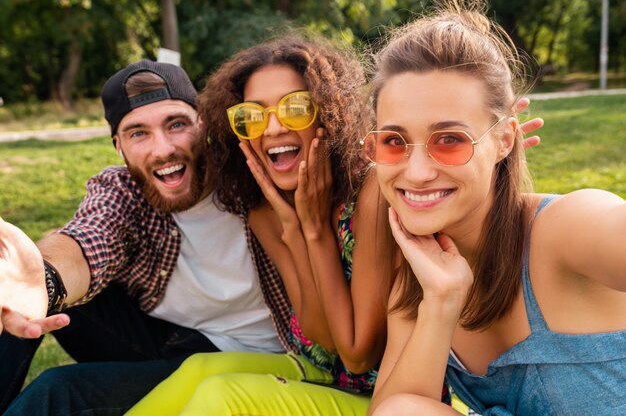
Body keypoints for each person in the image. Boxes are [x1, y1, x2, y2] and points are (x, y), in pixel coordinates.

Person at [128, 34, 542, 416]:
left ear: (328, 112)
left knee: (220, 397)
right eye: (251, 116)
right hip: (318, 371)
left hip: (382, 397)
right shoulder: (266, 209)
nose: (272, 128)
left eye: (293, 108)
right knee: (198, 368)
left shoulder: (374, 192)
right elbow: (318, 336)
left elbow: (358, 353)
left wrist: (316, 234)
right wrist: (295, 228)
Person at [363, 1, 626, 416]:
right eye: (394, 141)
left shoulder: (566, 228)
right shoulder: (419, 282)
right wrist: (442, 299)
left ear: (505, 140)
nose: (415, 173)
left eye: (449, 139)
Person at [0, 59, 293, 415]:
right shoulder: (124, 191)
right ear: (118, 147)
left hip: (250, 358)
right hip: (166, 337)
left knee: (57, 390)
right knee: (16, 293)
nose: (163, 149)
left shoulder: (249, 175)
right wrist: (40, 280)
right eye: (138, 133)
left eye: (177, 124)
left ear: (203, 123)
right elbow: (88, 239)